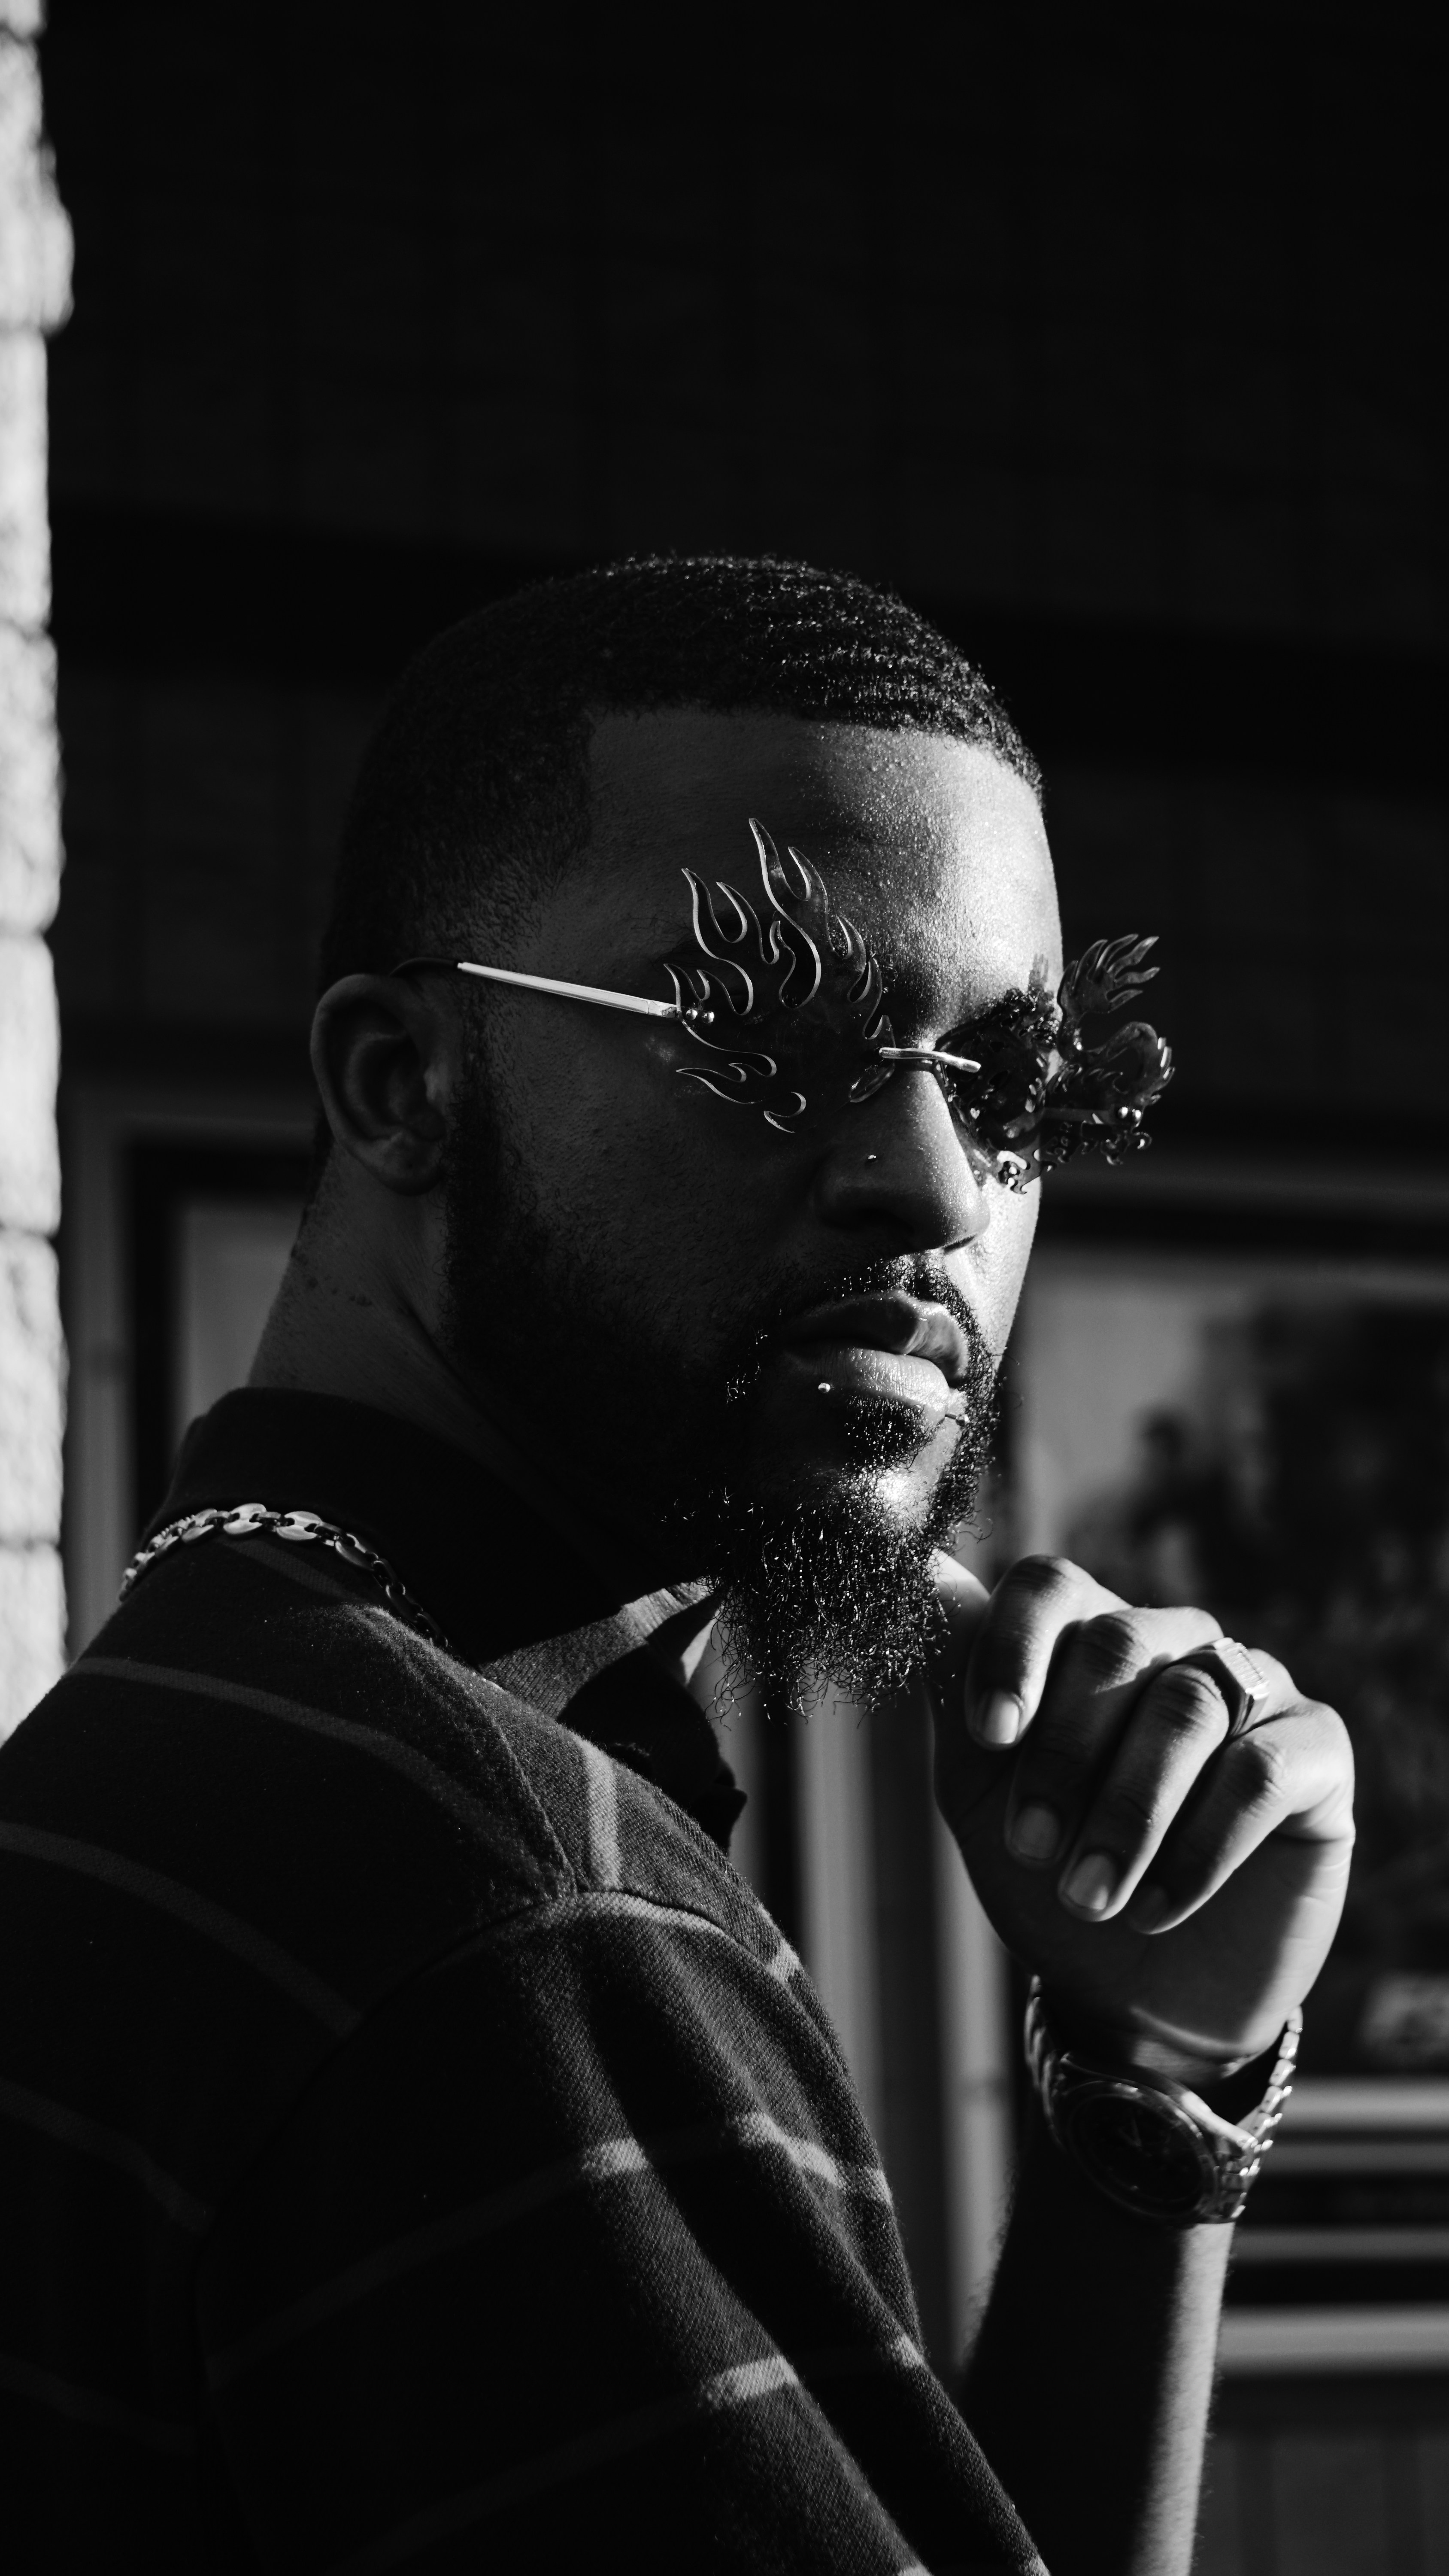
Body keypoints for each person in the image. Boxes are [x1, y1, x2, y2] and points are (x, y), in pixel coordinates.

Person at [0, 558, 1352, 2574]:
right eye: (773, 1027)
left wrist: (1148, 2102)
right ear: (399, 1086)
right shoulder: (501, 1920)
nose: (930, 1182)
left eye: (1010, 1090)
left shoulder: (175, 1767)